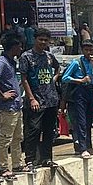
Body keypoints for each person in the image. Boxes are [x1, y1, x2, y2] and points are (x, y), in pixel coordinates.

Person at [19, 28, 61, 168]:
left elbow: (57, 68)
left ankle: (46, 158)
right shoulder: (26, 56)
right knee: (33, 130)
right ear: (35, 39)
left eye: (46, 40)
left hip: (51, 100)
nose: (43, 42)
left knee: (50, 131)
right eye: (40, 39)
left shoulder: (49, 56)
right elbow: (24, 79)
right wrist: (31, 98)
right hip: (35, 100)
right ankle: (30, 160)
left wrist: (53, 80)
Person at [0, 31, 24, 178]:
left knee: (17, 137)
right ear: (13, 47)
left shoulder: (11, 62)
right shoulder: (2, 62)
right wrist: (2, 94)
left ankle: (17, 164)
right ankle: (2, 168)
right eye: (19, 46)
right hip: (7, 108)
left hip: (16, 106)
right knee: (5, 139)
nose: (21, 49)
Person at [61, 37, 93, 159]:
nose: (89, 52)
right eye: (86, 50)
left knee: (89, 120)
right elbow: (65, 78)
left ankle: (89, 145)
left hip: (90, 90)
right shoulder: (76, 63)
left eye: (91, 50)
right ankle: (82, 148)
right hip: (79, 91)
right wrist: (79, 80)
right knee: (81, 120)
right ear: (82, 50)